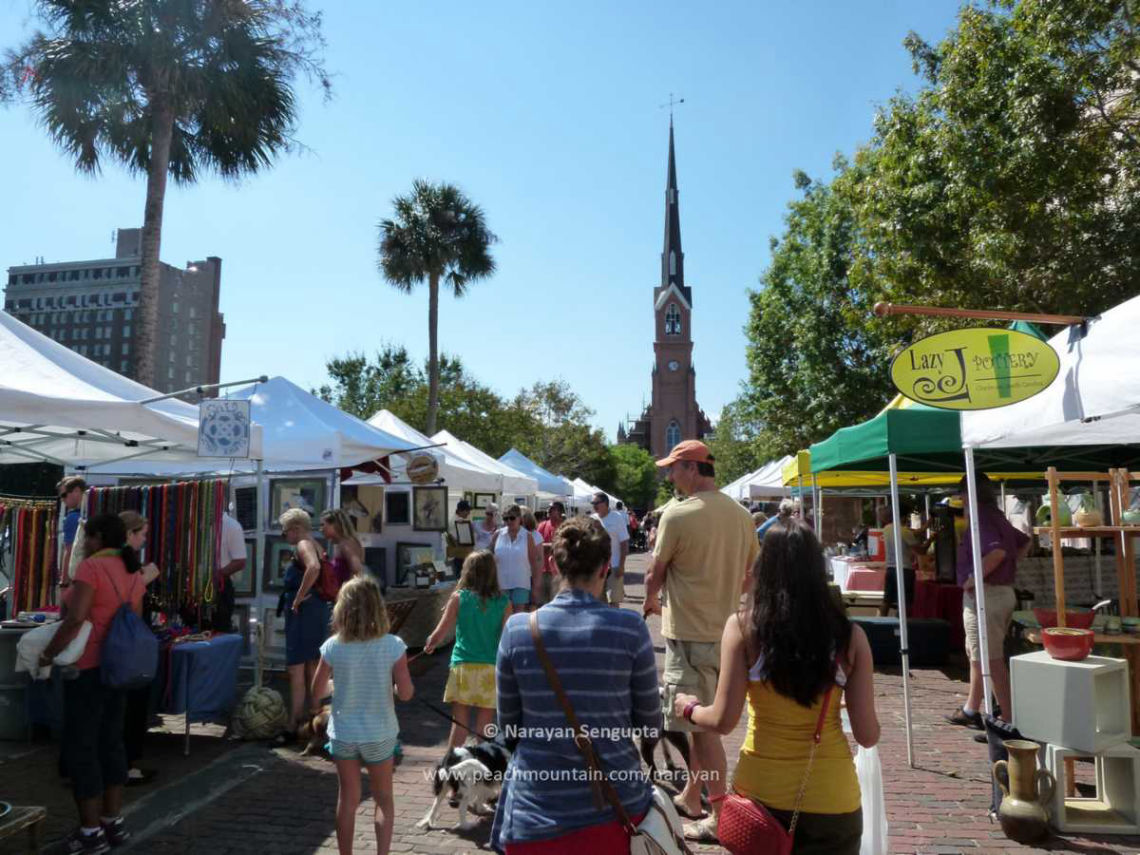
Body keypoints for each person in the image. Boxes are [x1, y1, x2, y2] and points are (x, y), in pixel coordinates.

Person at [674, 521, 879, 854]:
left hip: (761, 800)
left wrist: (688, 707)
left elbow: (723, 721)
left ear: (763, 567)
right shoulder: (851, 637)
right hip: (834, 801)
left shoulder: (743, 628)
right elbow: (867, 735)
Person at [492, 516, 661, 853]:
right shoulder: (630, 629)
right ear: (605, 567)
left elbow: (508, 730)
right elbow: (650, 725)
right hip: (617, 810)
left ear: (553, 564)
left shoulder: (518, 630)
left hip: (535, 814)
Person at [644, 440, 759, 843]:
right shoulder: (742, 516)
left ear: (693, 469)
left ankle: (719, 812)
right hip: (728, 634)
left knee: (703, 729)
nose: (670, 476)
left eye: (674, 469)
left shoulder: (677, 514)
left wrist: (650, 601)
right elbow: (751, 574)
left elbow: (653, 574)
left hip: (690, 634)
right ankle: (694, 796)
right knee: (698, 727)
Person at [38, 513, 145, 853]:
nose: (84, 542)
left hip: (88, 666)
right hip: (119, 667)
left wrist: (48, 653)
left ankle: (89, 832)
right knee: (111, 742)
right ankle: (112, 822)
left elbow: (76, 618)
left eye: (87, 536)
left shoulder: (92, 568)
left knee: (82, 747)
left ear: (98, 537)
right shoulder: (131, 568)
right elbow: (136, 618)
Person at [311, 575, 413, 855]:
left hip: (344, 733)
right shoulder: (393, 645)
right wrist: (395, 685)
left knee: (347, 800)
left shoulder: (333, 645)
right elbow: (405, 693)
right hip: (379, 732)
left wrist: (336, 684)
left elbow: (317, 691)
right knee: (384, 800)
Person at [947, 472, 1028, 732]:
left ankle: (1009, 718)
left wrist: (973, 578)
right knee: (978, 654)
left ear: (967, 493)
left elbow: (998, 552)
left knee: (991, 659)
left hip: (988, 594)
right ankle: (972, 708)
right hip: (999, 591)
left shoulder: (981, 516)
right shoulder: (997, 515)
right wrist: (1009, 568)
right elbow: (1024, 542)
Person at [423, 550, 512, 747]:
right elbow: (506, 640)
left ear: (467, 572)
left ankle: (450, 767)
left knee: (459, 724)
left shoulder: (459, 598)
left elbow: (440, 633)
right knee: (484, 726)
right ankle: (483, 768)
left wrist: (430, 644)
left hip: (463, 666)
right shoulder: (504, 602)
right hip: (490, 667)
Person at [278, 508, 333, 740]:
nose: (285, 537)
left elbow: (314, 567)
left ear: (296, 528)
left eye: (284, 532)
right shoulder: (316, 542)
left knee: (297, 668)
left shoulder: (303, 544)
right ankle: (312, 719)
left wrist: (299, 597)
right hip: (316, 610)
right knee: (312, 666)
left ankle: (294, 723)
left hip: (305, 613)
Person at [118, 512, 161, 787]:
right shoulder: (124, 559)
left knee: (124, 708)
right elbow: (130, 598)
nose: (144, 539)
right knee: (130, 706)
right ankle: (126, 766)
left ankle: (123, 763)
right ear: (130, 533)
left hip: (120, 639)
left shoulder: (104, 559)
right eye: (142, 534)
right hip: (127, 640)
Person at [878, 504, 934, 618]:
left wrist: (928, 523)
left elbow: (916, 532)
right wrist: (931, 539)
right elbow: (921, 551)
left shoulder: (887, 528)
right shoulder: (904, 532)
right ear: (904, 517)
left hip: (890, 569)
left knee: (887, 600)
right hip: (905, 570)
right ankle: (901, 623)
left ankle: (880, 621)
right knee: (905, 602)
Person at [490, 505, 540, 611]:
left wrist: (535, 586)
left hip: (521, 582)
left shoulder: (527, 536)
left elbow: (534, 563)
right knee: (502, 616)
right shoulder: (498, 534)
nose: (509, 521)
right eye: (506, 518)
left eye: (512, 518)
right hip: (501, 583)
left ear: (519, 518)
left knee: (518, 616)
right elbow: (489, 558)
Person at [590, 492, 630, 606]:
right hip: (597, 567)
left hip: (614, 566)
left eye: (596, 503)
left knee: (613, 601)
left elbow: (624, 543)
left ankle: (614, 623)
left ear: (605, 503)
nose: (594, 505)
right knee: (598, 601)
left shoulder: (617, 518)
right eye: (592, 503)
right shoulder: (592, 519)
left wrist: (621, 565)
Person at [212, 511, 248, 633]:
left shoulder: (231, 526)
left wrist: (217, 575)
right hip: (195, 586)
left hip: (220, 587)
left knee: (219, 630)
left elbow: (240, 561)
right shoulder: (195, 523)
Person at [321, 509, 365, 585]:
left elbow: (357, 570)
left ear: (334, 524)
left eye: (323, 525)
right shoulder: (340, 544)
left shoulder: (347, 543)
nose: (321, 529)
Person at [57, 476, 87, 586]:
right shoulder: (93, 512)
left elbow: (69, 551)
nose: (62, 499)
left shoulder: (72, 518)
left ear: (77, 491)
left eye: (64, 495)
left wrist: (64, 582)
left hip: (77, 578)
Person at [535, 501, 565, 605]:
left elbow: (565, 546)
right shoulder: (542, 525)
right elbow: (536, 545)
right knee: (541, 602)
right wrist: (552, 546)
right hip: (543, 570)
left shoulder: (565, 526)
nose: (549, 510)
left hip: (559, 571)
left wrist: (547, 546)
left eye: (552, 509)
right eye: (549, 508)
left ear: (560, 512)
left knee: (556, 601)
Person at [446, 499, 476, 576]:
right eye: (467, 510)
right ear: (460, 511)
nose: (469, 513)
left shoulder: (456, 520)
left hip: (460, 555)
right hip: (460, 555)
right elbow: (456, 540)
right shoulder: (458, 522)